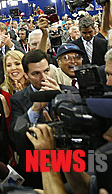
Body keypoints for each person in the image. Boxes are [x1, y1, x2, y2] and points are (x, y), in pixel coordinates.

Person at [9, 49, 75, 187]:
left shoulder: (71, 93)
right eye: (36, 74)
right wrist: (34, 109)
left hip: (68, 165)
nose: (44, 77)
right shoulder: (18, 99)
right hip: (36, 167)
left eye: (46, 71)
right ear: (26, 75)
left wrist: (61, 98)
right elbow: (16, 137)